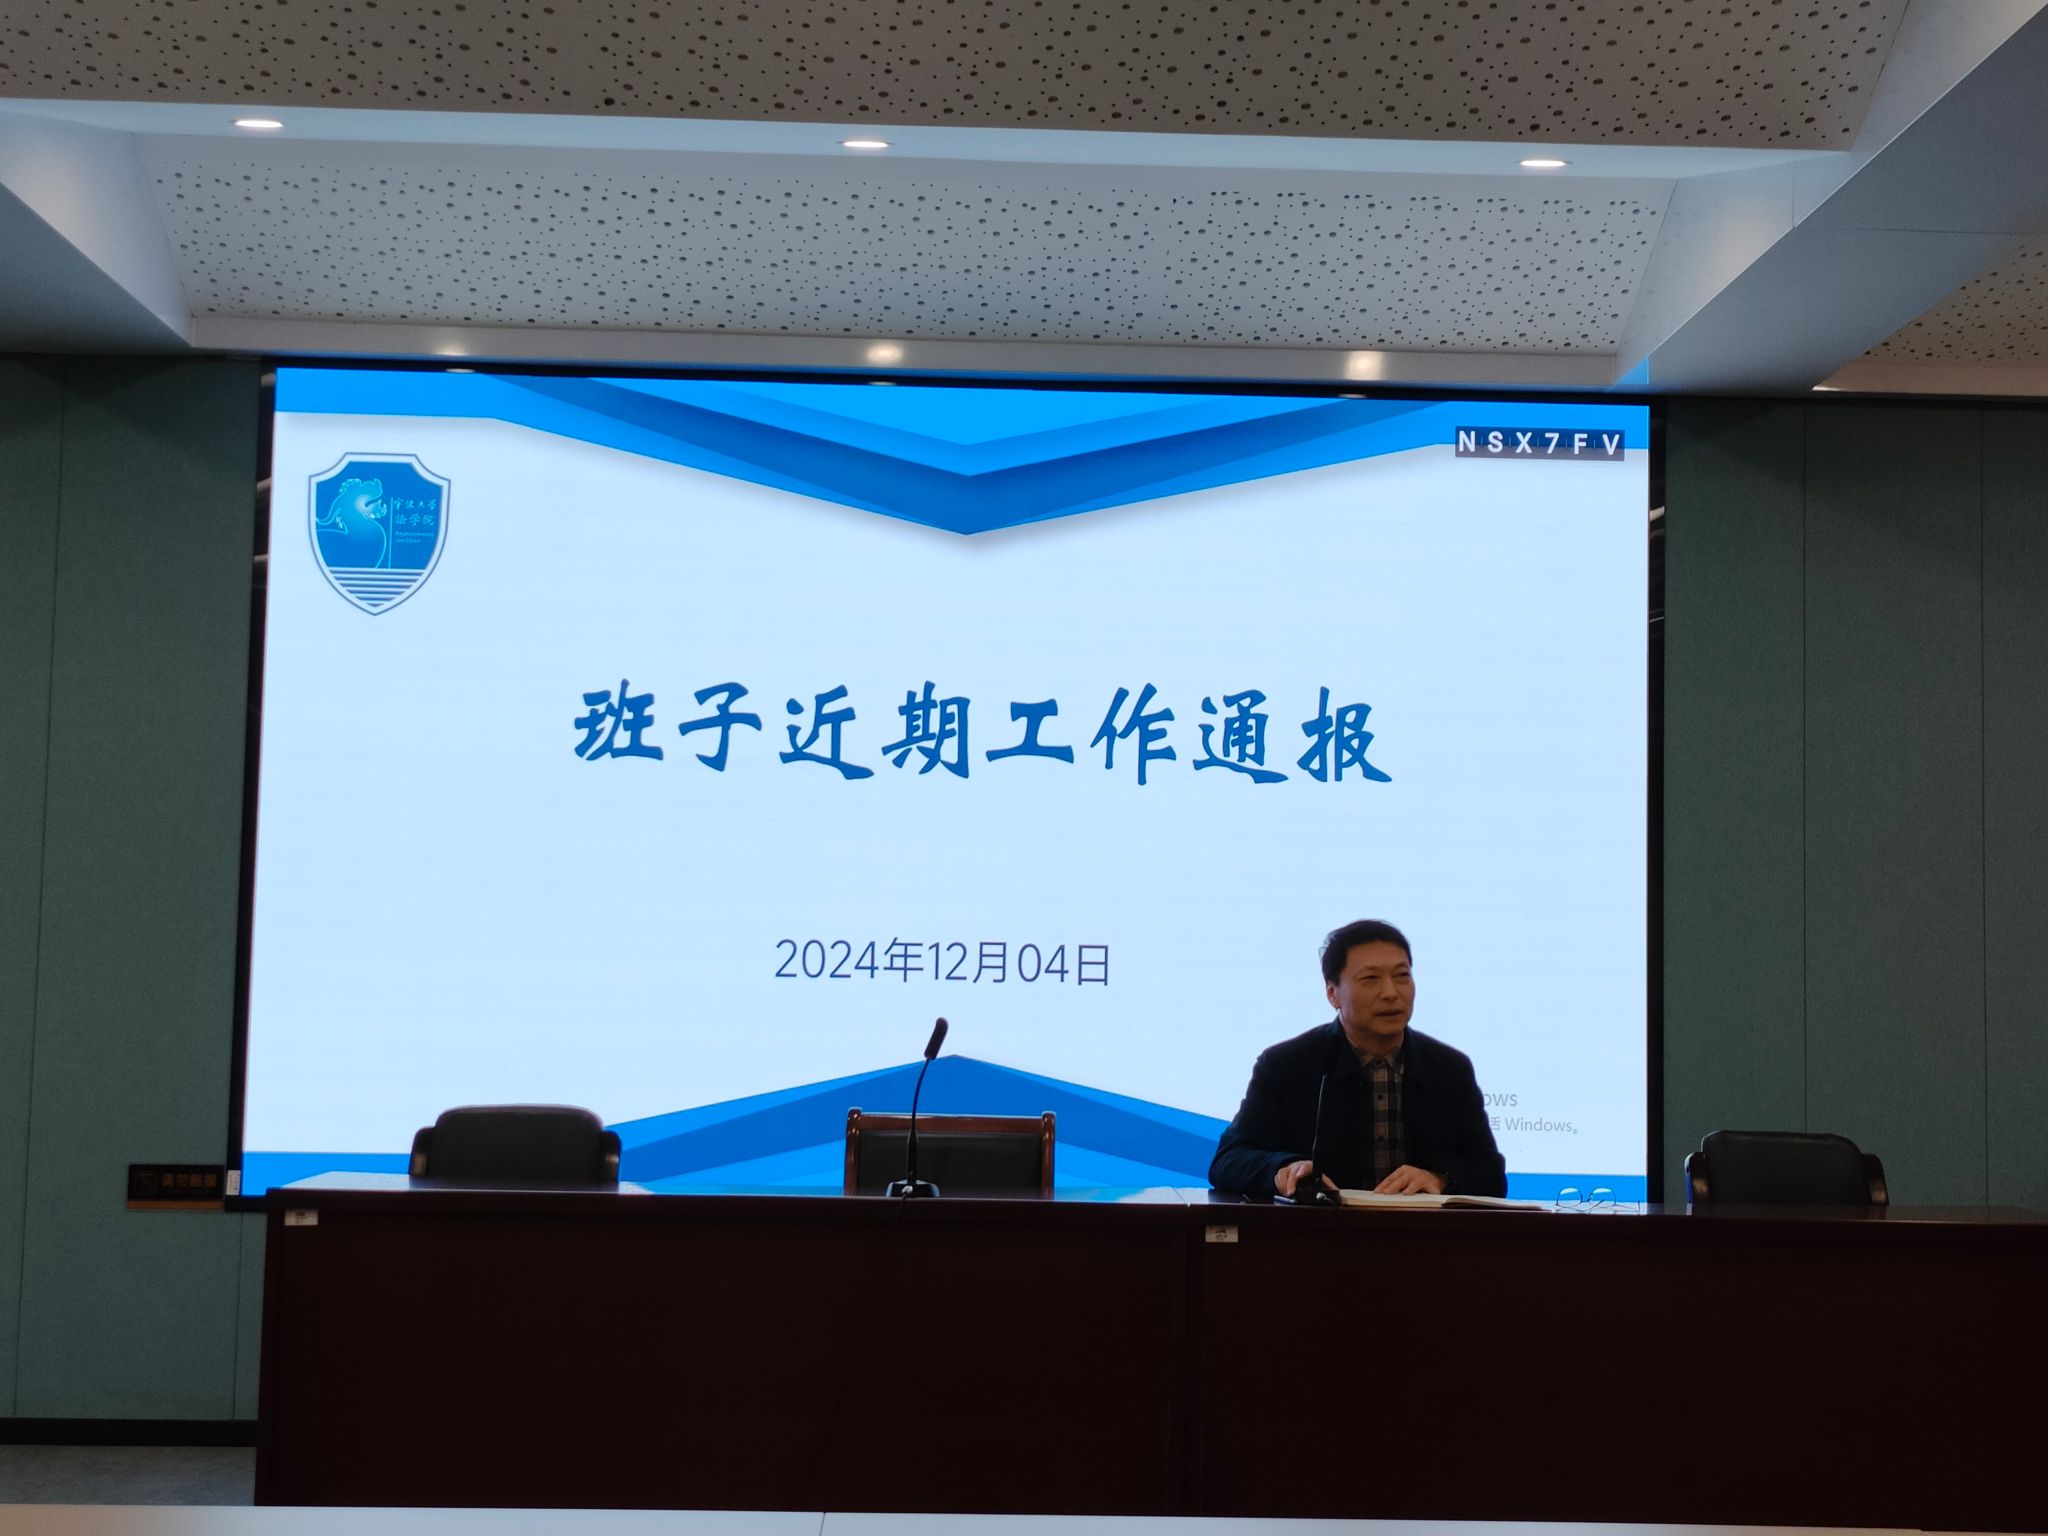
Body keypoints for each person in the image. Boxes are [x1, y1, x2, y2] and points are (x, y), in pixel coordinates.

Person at [1209, 919, 1507, 1198]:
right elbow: (1229, 1160)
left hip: (1423, 1232)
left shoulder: (1450, 1068)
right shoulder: (1286, 1065)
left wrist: (1440, 1178)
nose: (1390, 993)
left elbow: (1490, 1173)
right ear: (1332, 993)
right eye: (1370, 979)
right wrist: (1284, 1168)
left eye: (1402, 976)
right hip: (1321, 1231)